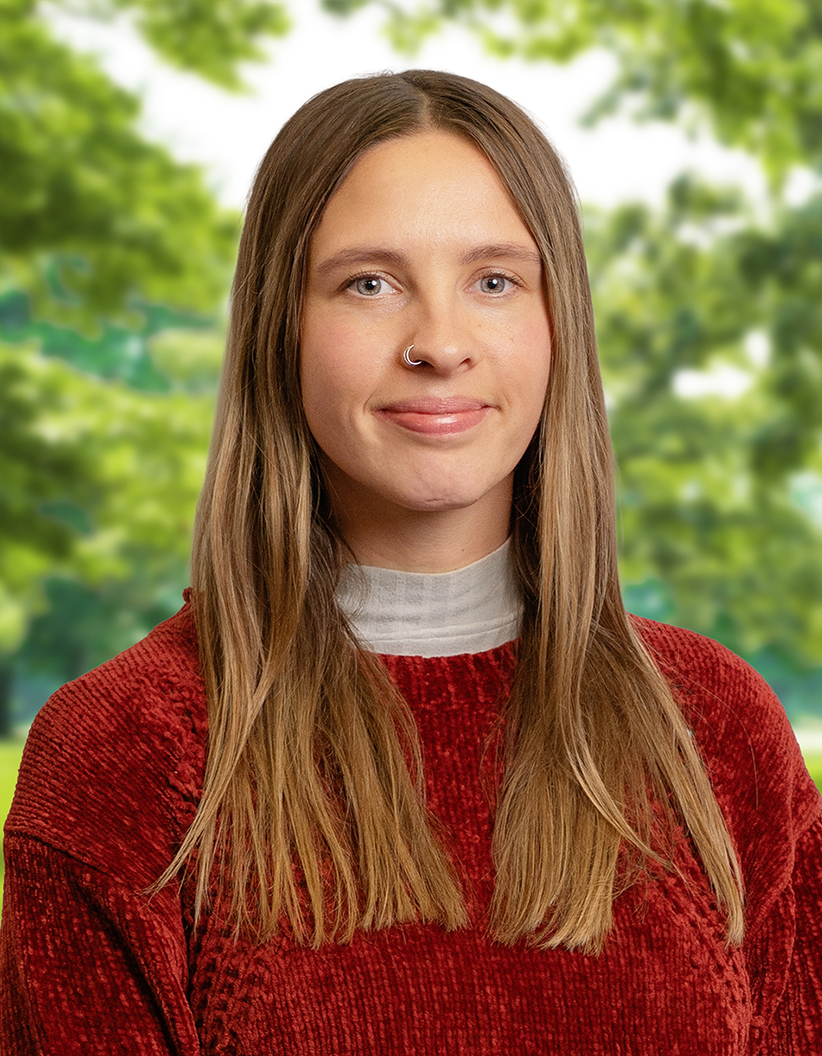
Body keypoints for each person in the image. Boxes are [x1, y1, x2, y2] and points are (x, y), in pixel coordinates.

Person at [1, 69, 820, 1055]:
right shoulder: (122, 759)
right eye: (370, 283)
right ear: (281, 330)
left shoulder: (721, 732)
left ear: (558, 326)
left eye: (493, 280)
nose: (439, 342)